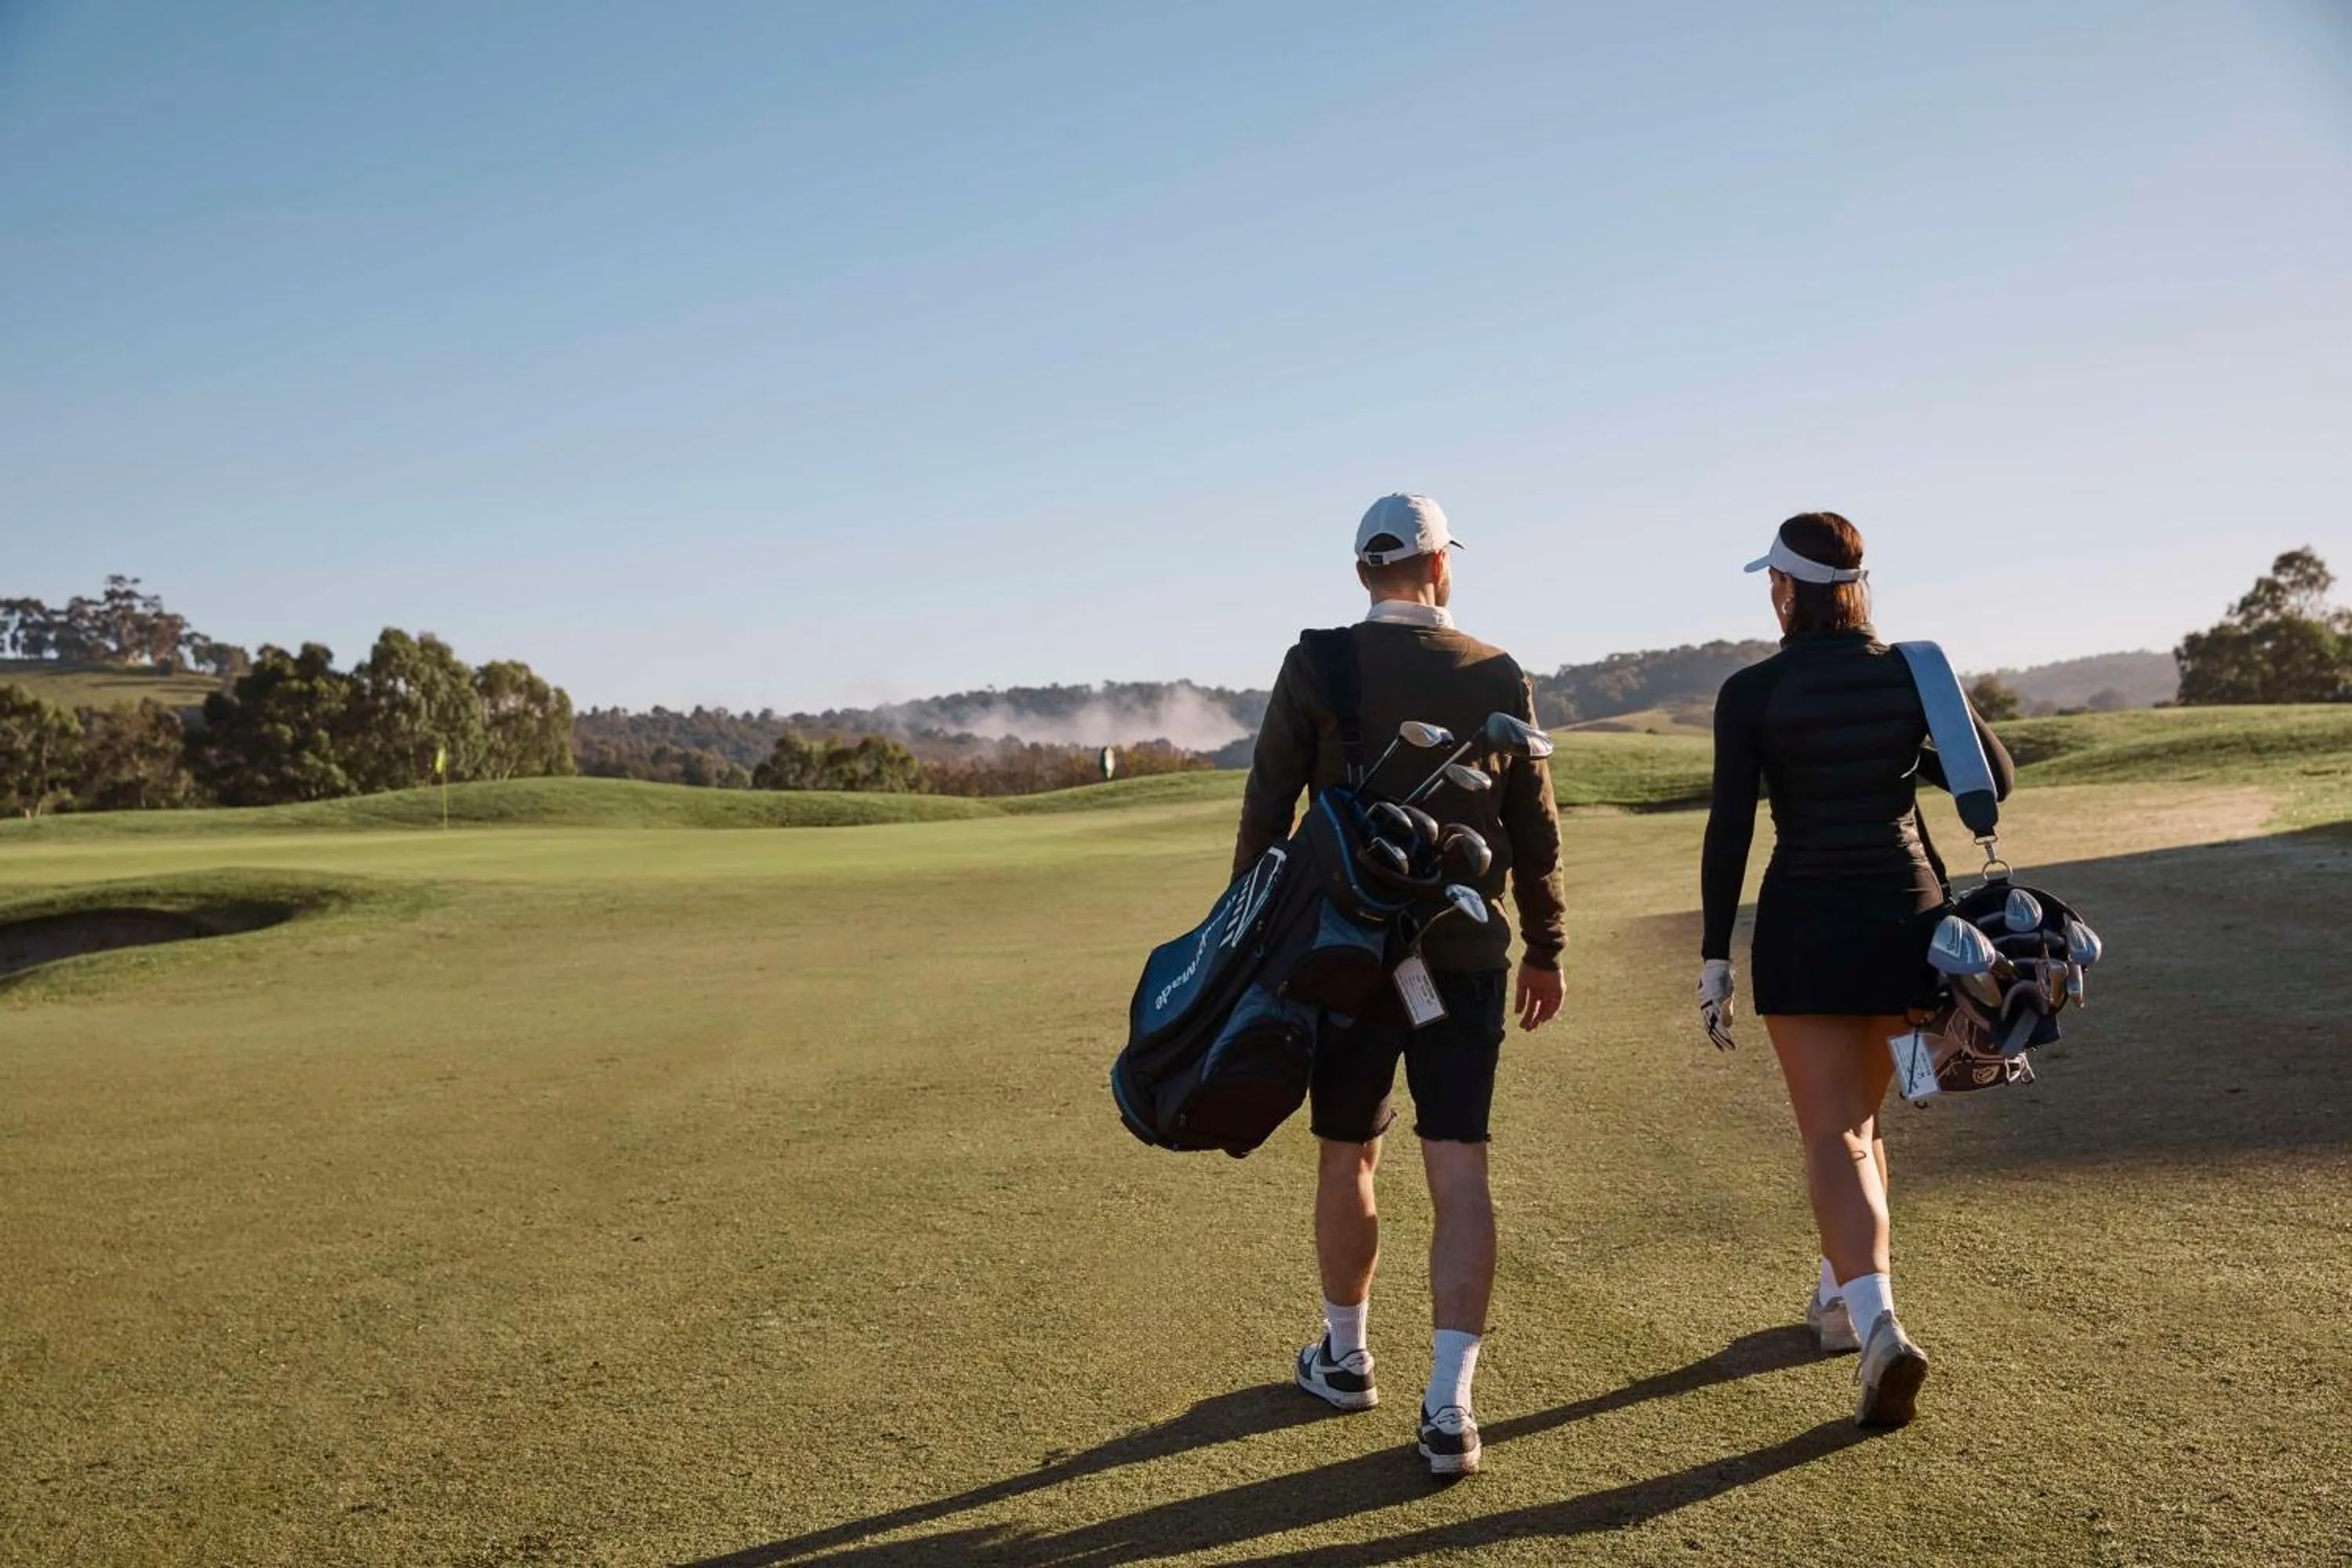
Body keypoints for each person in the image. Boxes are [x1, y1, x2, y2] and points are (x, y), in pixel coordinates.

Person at [1235, 492, 1566, 1476]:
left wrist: (1249, 937)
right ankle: (1450, 1406)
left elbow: (1267, 807)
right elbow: (1534, 828)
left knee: (1349, 1155)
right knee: (1457, 1165)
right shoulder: (1496, 671)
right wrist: (1546, 944)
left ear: (1363, 572)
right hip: (1464, 956)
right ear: (1438, 564)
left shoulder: (1316, 662)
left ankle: (1345, 1357)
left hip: (1342, 957)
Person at [1696, 511, 2016, 1428]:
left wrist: (1716, 953)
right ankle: (1841, 1299)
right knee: (1866, 1123)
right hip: (1909, 921)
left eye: (1773, 581)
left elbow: (1730, 830)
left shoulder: (1751, 689)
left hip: (1805, 922)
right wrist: (1915, 722)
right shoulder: (1913, 670)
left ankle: (1877, 1323)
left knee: (1833, 1132)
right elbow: (1993, 777)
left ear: (1786, 588)